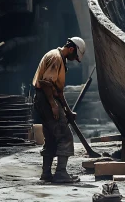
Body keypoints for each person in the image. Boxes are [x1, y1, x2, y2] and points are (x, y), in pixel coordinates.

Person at [32, 37, 86, 183]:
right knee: (65, 136)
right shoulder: (56, 58)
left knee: (50, 137)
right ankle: (61, 173)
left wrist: (67, 110)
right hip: (46, 99)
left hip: (45, 99)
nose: (75, 60)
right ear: (72, 49)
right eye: (75, 57)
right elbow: (46, 83)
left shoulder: (60, 59)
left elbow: (58, 92)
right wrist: (53, 105)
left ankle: (46, 174)